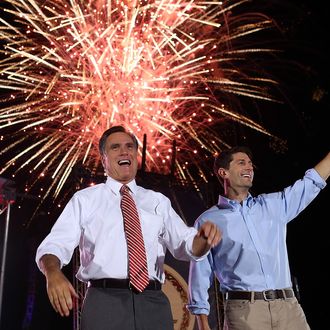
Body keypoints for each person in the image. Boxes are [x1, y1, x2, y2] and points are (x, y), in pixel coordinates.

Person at [35, 125, 221, 330]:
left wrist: (203, 240)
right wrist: (52, 272)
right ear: (103, 159)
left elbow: (186, 245)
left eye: (129, 146)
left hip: (153, 303)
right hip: (105, 303)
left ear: (136, 155)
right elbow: (54, 245)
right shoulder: (85, 200)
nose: (124, 151)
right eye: (115, 147)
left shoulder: (157, 201)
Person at [187, 146, 330, 330]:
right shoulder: (208, 220)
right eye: (241, 163)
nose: (249, 167)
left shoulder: (273, 206)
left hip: (289, 308)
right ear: (224, 172)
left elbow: (311, 182)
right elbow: (199, 273)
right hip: (245, 313)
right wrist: (203, 323)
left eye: (250, 164)